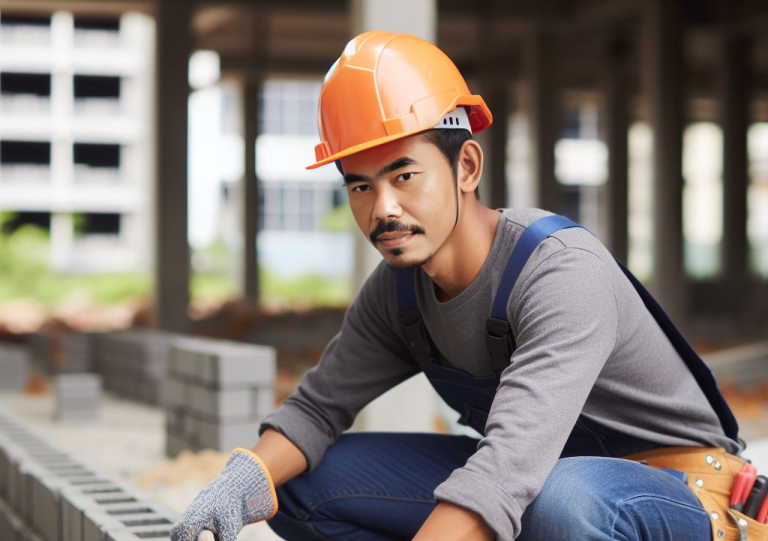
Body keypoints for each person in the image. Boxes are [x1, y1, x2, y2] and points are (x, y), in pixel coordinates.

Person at [171, 31, 746, 541]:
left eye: (404, 175)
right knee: (302, 484)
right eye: (360, 187)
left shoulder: (559, 272)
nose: (383, 209)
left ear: (466, 167)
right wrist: (239, 482)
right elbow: (318, 410)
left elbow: (507, 470)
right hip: (537, 485)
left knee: (562, 500)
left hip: (668, 494)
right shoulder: (398, 292)